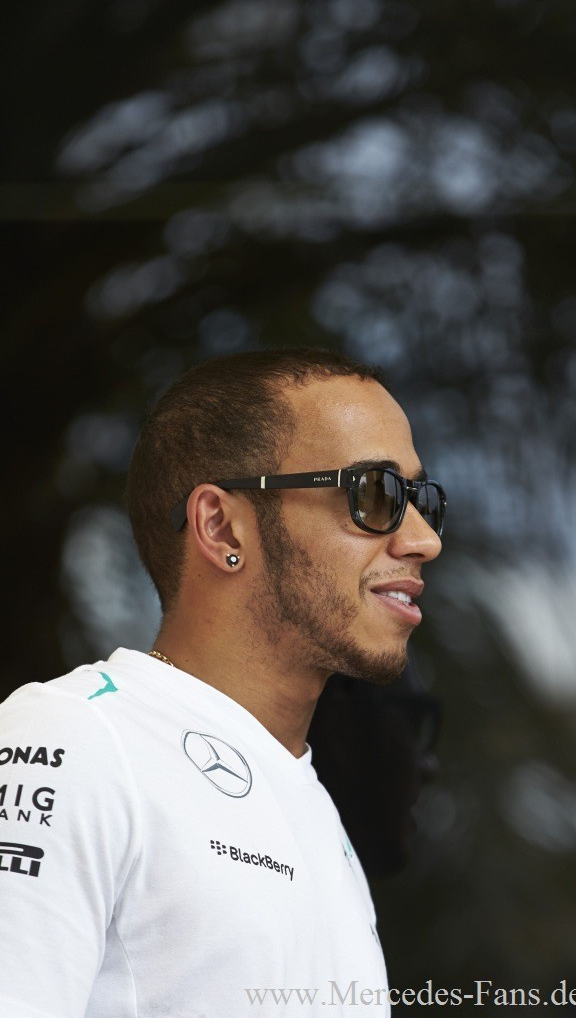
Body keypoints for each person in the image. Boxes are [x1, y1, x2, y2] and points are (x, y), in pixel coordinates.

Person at [0, 347, 445, 1017]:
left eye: (421, 500)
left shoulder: (311, 804)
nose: (422, 539)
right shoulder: (75, 737)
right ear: (220, 525)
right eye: (374, 494)